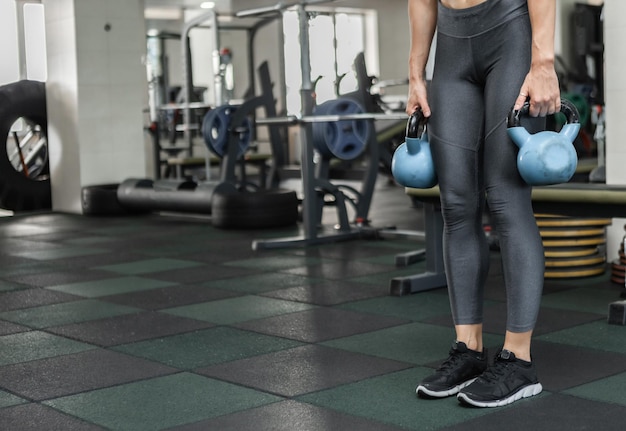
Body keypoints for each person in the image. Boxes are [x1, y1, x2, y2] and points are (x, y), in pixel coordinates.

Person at [406, 0, 560, 407]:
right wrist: (415, 72)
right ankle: (469, 350)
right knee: (455, 204)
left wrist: (543, 60)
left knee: (506, 197)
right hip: (452, 46)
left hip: (509, 30)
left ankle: (519, 361)